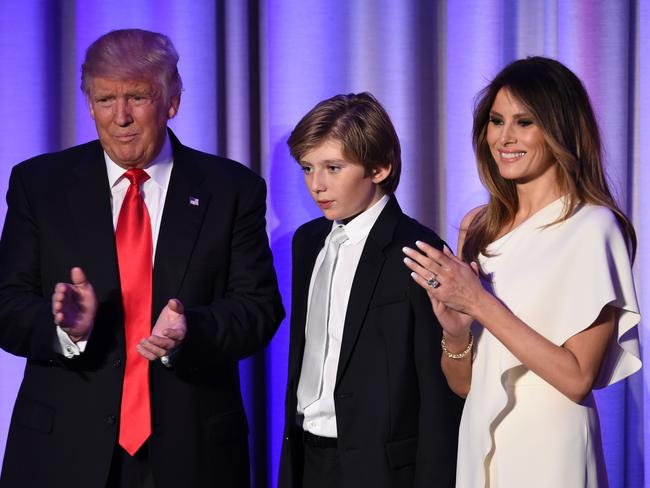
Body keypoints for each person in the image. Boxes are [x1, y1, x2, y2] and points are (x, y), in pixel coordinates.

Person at [0, 28, 284, 488]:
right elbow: (7, 306)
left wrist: (193, 329)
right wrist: (63, 329)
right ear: (89, 104)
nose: (121, 117)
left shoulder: (231, 189)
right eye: (105, 99)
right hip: (62, 453)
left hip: (192, 454)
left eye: (137, 97)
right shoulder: (40, 185)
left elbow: (258, 308)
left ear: (172, 100)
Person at [403, 56, 641, 487]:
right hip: (480, 439)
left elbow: (576, 378)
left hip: (550, 448)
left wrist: (479, 302)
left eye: (524, 122)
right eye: (496, 121)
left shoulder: (593, 227)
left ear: (560, 130)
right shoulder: (479, 226)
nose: (504, 138)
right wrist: (456, 332)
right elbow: (464, 386)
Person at [278, 92, 463, 488]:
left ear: (379, 168)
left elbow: (437, 392)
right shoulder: (307, 241)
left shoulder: (419, 250)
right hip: (308, 458)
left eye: (333, 167)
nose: (317, 185)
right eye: (307, 168)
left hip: (383, 469)